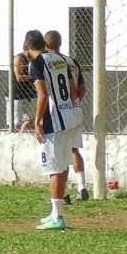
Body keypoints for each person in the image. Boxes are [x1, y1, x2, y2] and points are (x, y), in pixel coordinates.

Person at [26, 30, 83, 231]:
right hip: (69, 117)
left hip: (53, 120)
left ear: (27, 48)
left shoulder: (36, 64)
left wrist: (37, 121)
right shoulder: (60, 59)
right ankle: (55, 212)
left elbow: (43, 95)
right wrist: (67, 107)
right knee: (64, 162)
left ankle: (58, 217)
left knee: (54, 167)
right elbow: (74, 91)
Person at [45, 30, 90, 201]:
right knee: (74, 149)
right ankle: (82, 186)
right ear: (61, 43)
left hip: (57, 113)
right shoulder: (72, 61)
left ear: (46, 45)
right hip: (74, 110)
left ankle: (62, 193)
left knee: (60, 153)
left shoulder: (48, 62)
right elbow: (82, 88)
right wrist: (75, 103)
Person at [11, 43, 36, 132]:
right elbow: (19, 77)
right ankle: (18, 135)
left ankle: (22, 132)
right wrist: (33, 76)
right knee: (17, 122)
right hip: (17, 94)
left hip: (29, 93)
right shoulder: (20, 58)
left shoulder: (33, 59)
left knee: (32, 118)